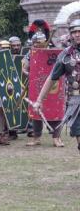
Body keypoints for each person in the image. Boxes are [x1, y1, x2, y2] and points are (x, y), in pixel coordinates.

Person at [32, 20, 80, 153]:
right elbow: (51, 78)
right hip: (76, 103)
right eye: (74, 32)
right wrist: (39, 100)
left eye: (79, 31)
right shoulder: (65, 55)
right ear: (70, 35)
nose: (77, 34)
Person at [23, 32, 64, 147]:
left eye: (40, 42)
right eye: (35, 43)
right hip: (36, 86)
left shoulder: (55, 52)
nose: (37, 45)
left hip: (53, 85)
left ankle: (56, 137)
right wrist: (32, 75)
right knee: (36, 111)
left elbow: (61, 68)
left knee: (55, 109)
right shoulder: (30, 53)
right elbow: (24, 69)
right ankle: (36, 137)